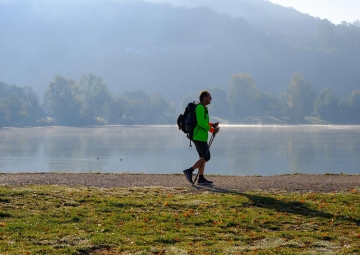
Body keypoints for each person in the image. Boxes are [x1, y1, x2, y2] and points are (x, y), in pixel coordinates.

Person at [183, 90, 220, 185]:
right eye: (209, 97)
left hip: (201, 137)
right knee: (206, 157)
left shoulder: (203, 108)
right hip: (198, 136)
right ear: (204, 98)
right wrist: (212, 130)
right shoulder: (200, 107)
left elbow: (203, 122)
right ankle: (189, 171)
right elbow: (200, 123)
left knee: (202, 157)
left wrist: (212, 125)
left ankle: (201, 179)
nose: (211, 98)